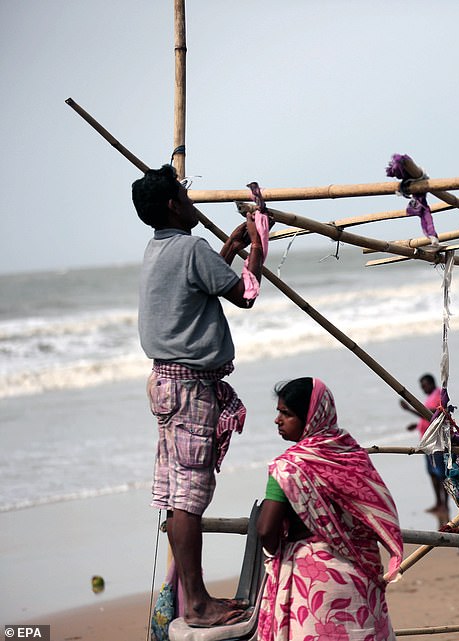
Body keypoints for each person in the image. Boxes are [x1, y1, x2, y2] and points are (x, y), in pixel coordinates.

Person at [133, 164, 264, 628]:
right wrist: (259, 243)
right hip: (189, 387)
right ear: (173, 204)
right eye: (185, 197)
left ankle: (192, 595)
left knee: (176, 491)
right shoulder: (190, 248)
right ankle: (196, 602)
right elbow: (245, 295)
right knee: (190, 494)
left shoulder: (158, 249)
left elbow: (203, 282)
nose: (193, 204)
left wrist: (230, 247)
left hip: (167, 382)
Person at [257, 378, 403, 641]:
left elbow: (266, 529)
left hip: (314, 583)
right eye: (279, 412)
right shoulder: (352, 455)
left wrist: (277, 550)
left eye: (286, 413)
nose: (277, 420)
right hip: (360, 578)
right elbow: (377, 510)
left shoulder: (289, 468)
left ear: (310, 417)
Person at [399, 374, 449, 515]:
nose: (423, 388)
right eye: (422, 386)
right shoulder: (430, 397)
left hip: (436, 442)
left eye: (425, 385)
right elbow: (428, 419)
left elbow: (433, 414)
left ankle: (445, 505)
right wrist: (416, 425)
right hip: (427, 442)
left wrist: (409, 409)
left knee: (441, 474)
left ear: (431, 383)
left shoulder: (438, 395)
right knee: (432, 474)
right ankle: (438, 503)